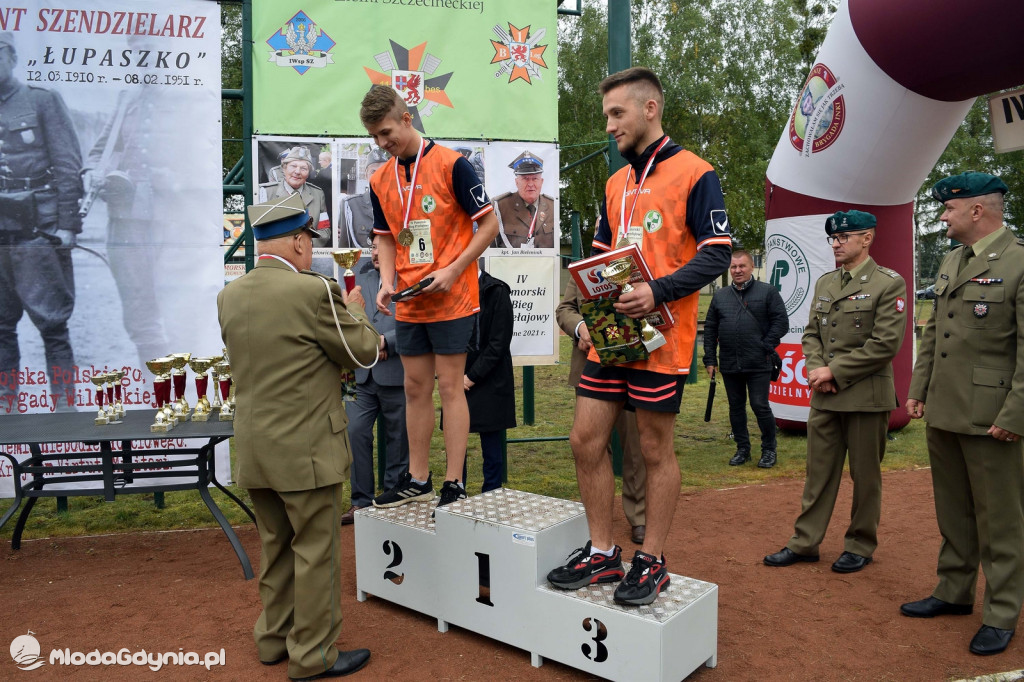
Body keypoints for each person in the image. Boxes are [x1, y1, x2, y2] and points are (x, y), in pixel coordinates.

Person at [546, 67, 732, 605]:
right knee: (585, 439)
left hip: (663, 339)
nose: (609, 126)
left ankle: (651, 560)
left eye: (616, 114)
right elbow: (606, 253)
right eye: (607, 116)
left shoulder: (698, 173)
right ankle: (604, 553)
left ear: (650, 109)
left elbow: (717, 253)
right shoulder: (615, 182)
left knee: (653, 448)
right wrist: (590, 304)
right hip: (612, 336)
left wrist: (658, 291)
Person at [217, 193, 379, 679]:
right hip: (307, 449)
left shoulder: (230, 295)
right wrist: (356, 309)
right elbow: (364, 352)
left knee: (276, 546)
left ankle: (272, 640)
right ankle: (312, 656)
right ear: (296, 242)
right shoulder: (314, 292)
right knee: (315, 552)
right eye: (307, 238)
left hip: (255, 447)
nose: (310, 247)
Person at [359, 84, 499, 511]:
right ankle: (418, 478)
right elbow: (384, 238)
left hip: (452, 297)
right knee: (414, 386)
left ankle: (454, 481)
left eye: (387, 132)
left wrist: (456, 268)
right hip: (410, 299)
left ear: (407, 118)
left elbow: (489, 225)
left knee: (450, 386)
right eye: (375, 138)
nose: (383, 144)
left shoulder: (453, 165)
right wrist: (385, 280)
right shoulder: (380, 178)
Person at [901, 172, 1024, 656]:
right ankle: (953, 591)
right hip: (946, 409)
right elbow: (934, 333)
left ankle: (1001, 611)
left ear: (977, 210)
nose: (943, 216)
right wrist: (919, 388)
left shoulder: (1017, 262)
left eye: (949, 208)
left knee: (1000, 520)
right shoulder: (954, 260)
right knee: (954, 511)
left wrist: (1016, 414)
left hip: (993, 414)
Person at [764, 210, 906, 575]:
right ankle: (805, 542)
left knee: (865, 476)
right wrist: (815, 369)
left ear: (867, 238)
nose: (837, 244)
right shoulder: (827, 282)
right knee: (819, 473)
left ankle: (860, 544)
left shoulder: (888, 283)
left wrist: (834, 371)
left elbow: (885, 344)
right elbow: (811, 334)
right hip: (825, 394)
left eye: (845, 237)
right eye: (834, 238)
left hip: (865, 396)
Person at [0, 31, 84, 412]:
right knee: (0, 328)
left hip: (39, 230)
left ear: (11, 57)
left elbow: (68, 166)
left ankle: (65, 405)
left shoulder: (42, 101)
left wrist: (67, 226)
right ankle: (7, 407)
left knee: (53, 326)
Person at [557, 277, 648, 545]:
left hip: (633, 365)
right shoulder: (584, 270)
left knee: (635, 446)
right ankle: (598, 517)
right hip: (590, 366)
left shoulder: (639, 266)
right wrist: (582, 329)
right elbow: (565, 310)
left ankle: (639, 515)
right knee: (592, 449)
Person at [342, 233, 409, 524]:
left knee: (400, 438)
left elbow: (417, 326)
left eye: (381, 247)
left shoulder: (410, 283)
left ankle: (394, 496)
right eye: (372, 247)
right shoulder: (354, 278)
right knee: (353, 433)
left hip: (399, 373)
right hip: (354, 375)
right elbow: (342, 320)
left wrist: (385, 343)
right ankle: (360, 502)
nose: (376, 252)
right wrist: (367, 345)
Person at [703, 249, 788, 468]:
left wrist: (766, 345)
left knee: (760, 406)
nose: (738, 270)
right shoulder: (720, 296)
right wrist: (710, 360)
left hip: (759, 362)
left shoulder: (768, 292)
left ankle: (769, 450)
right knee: (736, 407)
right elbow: (711, 329)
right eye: (733, 267)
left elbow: (781, 322)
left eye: (742, 266)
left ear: (751, 267)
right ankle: (743, 449)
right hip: (730, 362)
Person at [462, 262, 516, 493]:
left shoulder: (497, 291)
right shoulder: (449, 291)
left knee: (492, 447)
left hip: (490, 380)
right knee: (457, 443)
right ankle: (455, 490)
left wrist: (470, 377)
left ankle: (491, 494)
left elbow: (499, 343)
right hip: (458, 378)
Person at [259, 146, 331, 247]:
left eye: (303, 168)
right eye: (293, 166)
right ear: (284, 169)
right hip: (277, 256)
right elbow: (260, 230)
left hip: (308, 255)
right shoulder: (266, 193)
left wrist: (307, 244)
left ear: (308, 173)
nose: (297, 172)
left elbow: (324, 231)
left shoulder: (318, 194)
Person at [491, 151, 555, 249]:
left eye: (535, 179)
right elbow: (490, 249)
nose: (530, 184)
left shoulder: (553, 206)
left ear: (541, 182)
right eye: (525, 179)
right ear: (517, 182)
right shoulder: (500, 206)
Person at [339, 147, 388, 249]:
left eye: (383, 171)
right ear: (366, 175)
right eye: (373, 172)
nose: (378, 176)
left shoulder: (400, 204)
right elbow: (344, 245)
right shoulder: (351, 205)